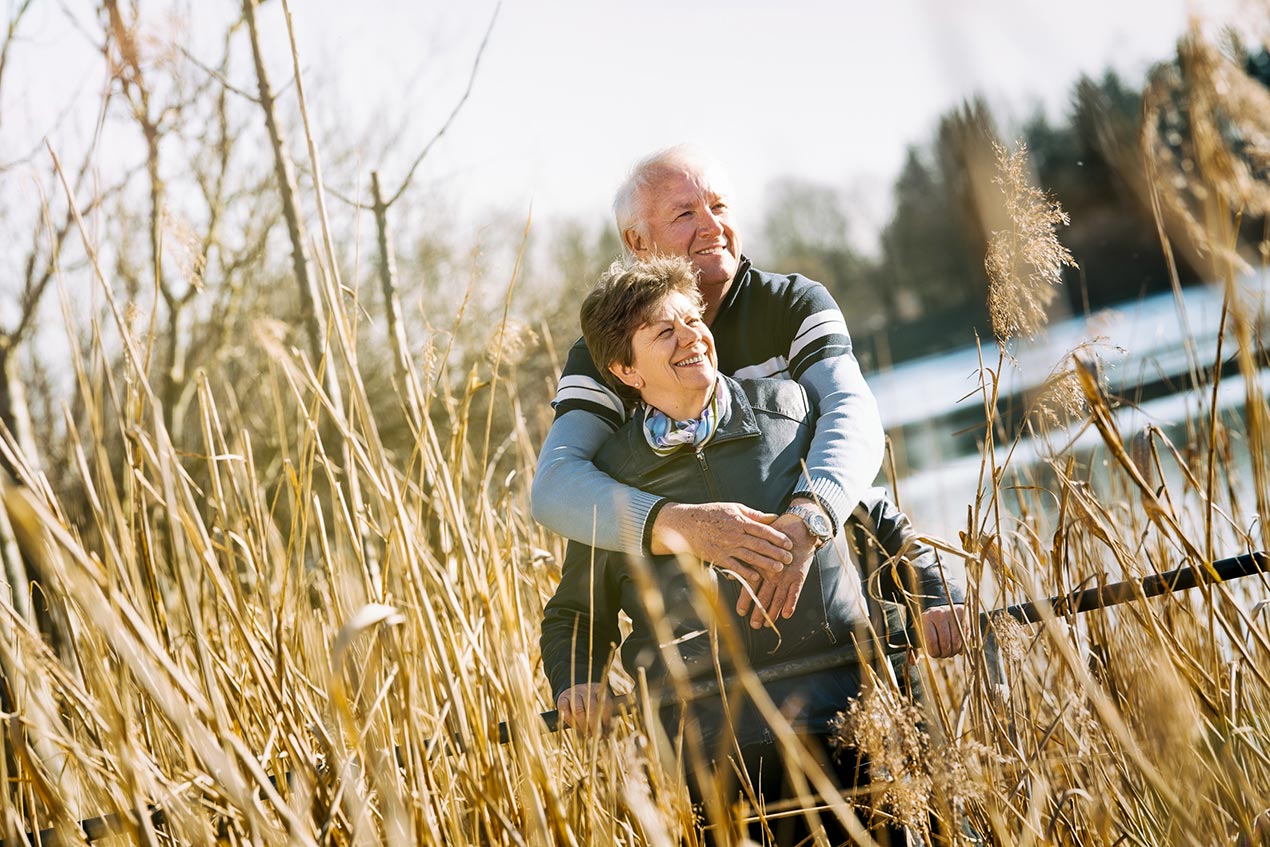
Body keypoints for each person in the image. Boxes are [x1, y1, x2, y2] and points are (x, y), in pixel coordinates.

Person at [539, 256, 966, 845]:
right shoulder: (611, 481)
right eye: (665, 331)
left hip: (853, 715)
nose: (692, 337)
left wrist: (937, 598)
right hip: (718, 754)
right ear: (624, 368)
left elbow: (879, 522)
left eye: (693, 319)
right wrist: (578, 681)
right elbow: (575, 613)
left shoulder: (789, 411)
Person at [532, 145, 884, 626]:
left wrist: (810, 516)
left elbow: (852, 416)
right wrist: (679, 526)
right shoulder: (607, 353)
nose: (713, 227)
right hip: (706, 642)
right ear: (637, 242)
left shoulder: (794, 304)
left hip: (843, 593)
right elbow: (554, 486)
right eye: (684, 214)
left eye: (718, 207)